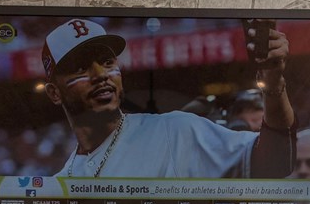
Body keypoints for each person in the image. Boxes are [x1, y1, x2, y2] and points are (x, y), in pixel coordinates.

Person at [42, 18, 296, 179]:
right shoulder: (63, 181)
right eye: (80, 69)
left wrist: (273, 82)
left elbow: (276, 164)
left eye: (107, 62)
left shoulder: (173, 129)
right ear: (55, 93)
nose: (101, 75)